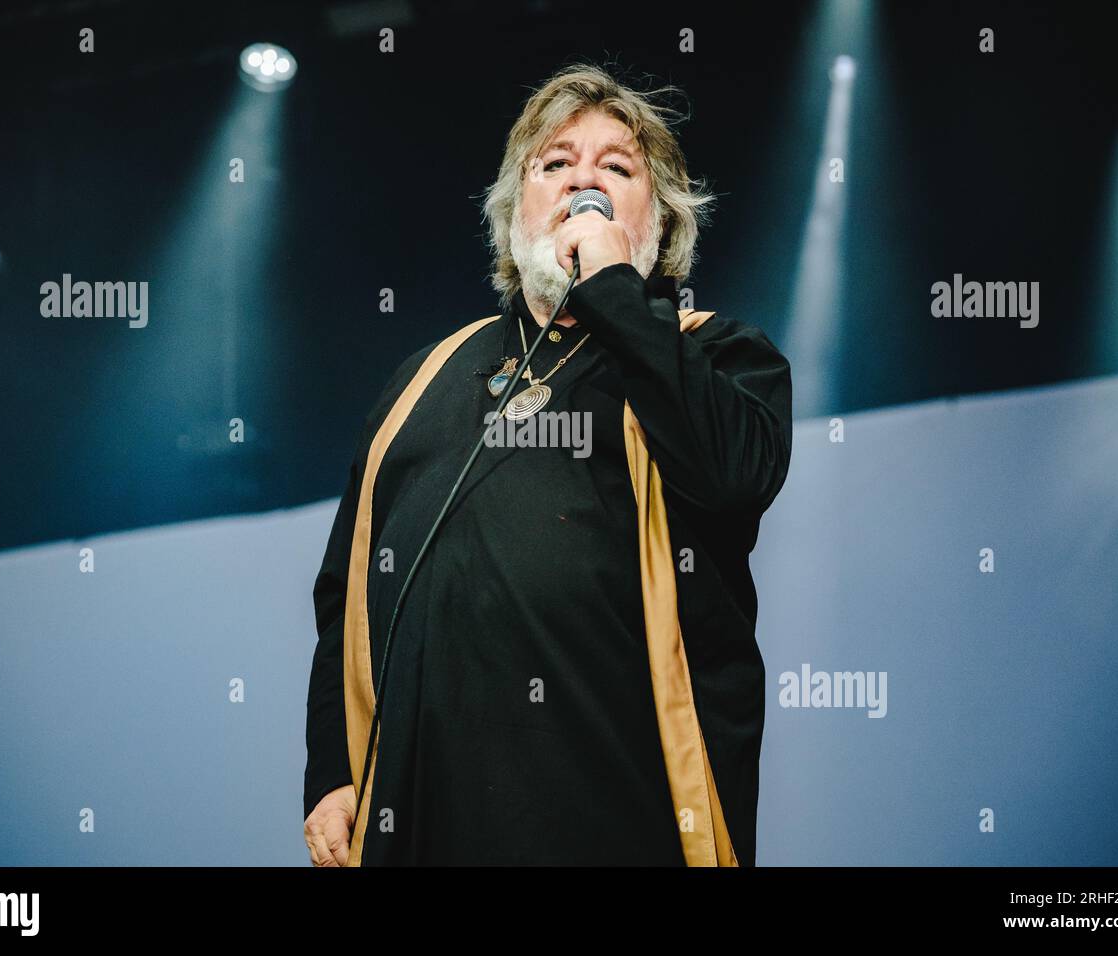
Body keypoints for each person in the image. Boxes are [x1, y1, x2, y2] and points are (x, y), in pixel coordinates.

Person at [303, 62, 792, 866]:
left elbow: (734, 475)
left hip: (616, 812)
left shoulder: (716, 353)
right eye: (555, 164)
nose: (581, 183)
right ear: (512, 213)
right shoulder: (422, 378)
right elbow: (343, 596)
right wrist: (333, 769)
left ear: (662, 221)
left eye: (616, 168)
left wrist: (610, 284)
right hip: (423, 816)